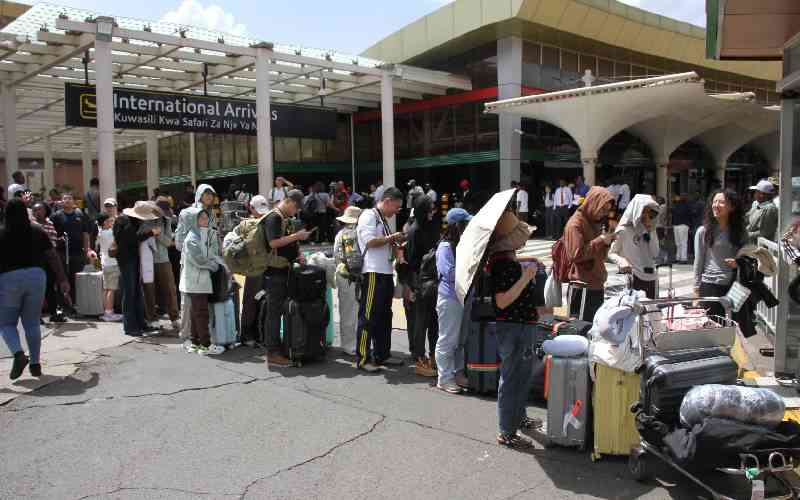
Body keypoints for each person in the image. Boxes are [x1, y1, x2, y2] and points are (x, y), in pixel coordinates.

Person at [487, 211, 542, 447]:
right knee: (512, 377)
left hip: (520, 325)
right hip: (513, 326)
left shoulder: (506, 260)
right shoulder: (502, 265)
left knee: (521, 375)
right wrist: (526, 277)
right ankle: (506, 430)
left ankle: (518, 418)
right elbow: (502, 301)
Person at [0, 199, 70, 379]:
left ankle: (18, 354)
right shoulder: (37, 230)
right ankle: (35, 364)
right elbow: (52, 256)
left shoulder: (2, 232)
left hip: (9, 279)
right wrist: (62, 279)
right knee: (31, 323)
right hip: (36, 277)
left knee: (7, 323)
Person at [355, 187, 406, 372]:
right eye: (396, 207)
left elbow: (383, 242)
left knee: (385, 316)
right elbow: (369, 241)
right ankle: (362, 359)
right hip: (373, 272)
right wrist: (392, 237)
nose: (396, 211)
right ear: (387, 201)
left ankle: (382, 354)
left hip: (385, 272)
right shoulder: (369, 216)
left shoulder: (382, 219)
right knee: (368, 317)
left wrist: (394, 244)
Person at [262, 190, 311, 366]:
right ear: (288, 201)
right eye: (296, 207)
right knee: (274, 313)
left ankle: (279, 347)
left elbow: (287, 243)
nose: (296, 211)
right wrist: (297, 236)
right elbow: (273, 242)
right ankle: (272, 353)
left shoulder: (284, 218)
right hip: (274, 273)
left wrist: (298, 254)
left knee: (280, 311)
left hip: (284, 270)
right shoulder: (274, 217)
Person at [563, 187, 616, 321]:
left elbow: (599, 255)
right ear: (594, 203)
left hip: (595, 283)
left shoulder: (593, 222)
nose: (603, 214)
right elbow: (576, 254)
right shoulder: (575, 224)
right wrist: (601, 240)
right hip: (582, 286)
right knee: (580, 331)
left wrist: (607, 242)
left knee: (594, 330)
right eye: (602, 209)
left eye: (606, 211)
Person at [434, 208, 472, 394]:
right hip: (449, 298)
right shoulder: (445, 247)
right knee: (448, 340)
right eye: (466, 224)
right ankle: (444, 378)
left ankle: (458, 373)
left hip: (462, 296)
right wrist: (469, 266)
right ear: (458, 226)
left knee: (460, 340)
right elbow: (448, 273)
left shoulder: (461, 245)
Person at [176, 184, 219, 340]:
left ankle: (199, 333)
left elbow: (213, 236)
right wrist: (190, 252)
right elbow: (179, 239)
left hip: (207, 260)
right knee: (188, 298)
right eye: (206, 193)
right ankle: (186, 332)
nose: (209, 196)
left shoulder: (211, 214)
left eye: (211, 194)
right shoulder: (187, 212)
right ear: (199, 194)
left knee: (201, 301)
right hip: (191, 261)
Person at [694, 189, 746, 318]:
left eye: (721, 202)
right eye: (714, 201)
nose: (716, 205)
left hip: (735, 286)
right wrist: (696, 290)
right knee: (712, 327)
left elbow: (747, 257)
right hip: (709, 285)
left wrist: (738, 263)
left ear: (732, 207)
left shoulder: (741, 232)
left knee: (732, 326)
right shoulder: (703, 231)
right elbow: (698, 261)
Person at [179, 208, 224, 355]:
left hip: (197, 280)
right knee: (202, 313)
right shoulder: (192, 238)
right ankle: (206, 345)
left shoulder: (199, 235)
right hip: (197, 281)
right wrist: (214, 265)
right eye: (202, 218)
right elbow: (199, 259)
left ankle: (195, 342)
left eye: (206, 218)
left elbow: (209, 253)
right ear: (194, 221)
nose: (205, 221)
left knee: (195, 312)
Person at [113, 201, 161, 337]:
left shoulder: (127, 221)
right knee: (130, 293)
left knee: (136, 293)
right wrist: (150, 233)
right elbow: (132, 240)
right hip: (127, 260)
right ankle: (131, 326)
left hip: (130, 259)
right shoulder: (127, 223)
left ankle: (140, 323)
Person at [406, 194, 440, 378]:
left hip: (434, 280)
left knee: (434, 320)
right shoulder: (415, 231)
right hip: (421, 282)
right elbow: (411, 261)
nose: (433, 211)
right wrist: (411, 286)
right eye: (430, 209)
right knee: (421, 322)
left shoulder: (431, 227)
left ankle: (433, 355)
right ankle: (419, 357)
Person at [608, 195, 661, 299]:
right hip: (633, 276)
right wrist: (621, 261)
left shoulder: (651, 228)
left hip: (651, 277)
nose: (646, 215)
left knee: (650, 312)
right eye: (643, 211)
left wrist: (650, 232)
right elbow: (611, 253)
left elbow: (655, 253)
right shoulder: (624, 230)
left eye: (649, 212)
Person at [51, 193, 96, 306]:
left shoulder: (80, 214)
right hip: (61, 253)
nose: (67, 200)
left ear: (73, 201)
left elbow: (85, 233)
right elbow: (51, 234)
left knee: (76, 279)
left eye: (70, 198)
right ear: (61, 202)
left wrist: (87, 250)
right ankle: (62, 305)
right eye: (65, 198)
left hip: (78, 253)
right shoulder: (56, 216)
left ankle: (76, 304)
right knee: (62, 279)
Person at [240, 195, 270, 347]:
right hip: (253, 269)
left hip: (266, 267)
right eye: (258, 210)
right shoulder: (246, 224)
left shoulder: (266, 222)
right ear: (251, 208)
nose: (261, 213)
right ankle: (246, 334)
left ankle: (259, 333)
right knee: (251, 301)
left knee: (263, 300)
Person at [333, 205, 363, 355]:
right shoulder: (357, 233)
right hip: (355, 277)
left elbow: (336, 256)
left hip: (343, 276)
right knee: (355, 311)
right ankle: (352, 345)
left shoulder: (340, 234)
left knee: (347, 311)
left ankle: (349, 344)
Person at [153, 196, 180, 330]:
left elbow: (168, 240)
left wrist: (159, 235)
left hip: (163, 259)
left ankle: (174, 317)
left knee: (170, 289)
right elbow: (166, 241)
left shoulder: (167, 219)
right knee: (151, 291)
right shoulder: (148, 219)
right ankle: (152, 318)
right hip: (149, 260)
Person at [31, 202, 61, 322]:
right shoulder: (31, 225)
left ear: (45, 211)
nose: (37, 212)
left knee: (50, 287)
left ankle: (54, 313)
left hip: (49, 259)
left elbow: (52, 241)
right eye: (35, 210)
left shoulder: (50, 223)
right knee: (37, 289)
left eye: (40, 209)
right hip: (36, 260)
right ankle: (37, 316)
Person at [95, 214, 123, 322]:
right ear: (105, 222)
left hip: (105, 263)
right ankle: (109, 313)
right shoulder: (110, 233)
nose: (112, 222)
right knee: (111, 289)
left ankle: (106, 311)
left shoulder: (100, 232)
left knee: (106, 289)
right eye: (110, 221)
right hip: (112, 263)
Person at [672, 195, 692, 263]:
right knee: (678, 243)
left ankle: (683, 258)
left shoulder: (687, 206)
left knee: (683, 242)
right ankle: (678, 257)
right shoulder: (676, 205)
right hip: (677, 225)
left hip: (683, 225)